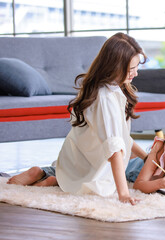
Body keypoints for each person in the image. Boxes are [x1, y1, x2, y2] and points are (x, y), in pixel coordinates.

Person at [7, 32, 148, 205]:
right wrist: (124, 194)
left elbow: (121, 137)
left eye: (136, 68)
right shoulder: (105, 97)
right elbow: (114, 147)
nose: (135, 74)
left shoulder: (103, 89)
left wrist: (145, 156)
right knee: (108, 179)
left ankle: (50, 176)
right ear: (114, 66)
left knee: (76, 175)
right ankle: (52, 177)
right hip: (89, 165)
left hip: (76, 161)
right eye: (131, 69)